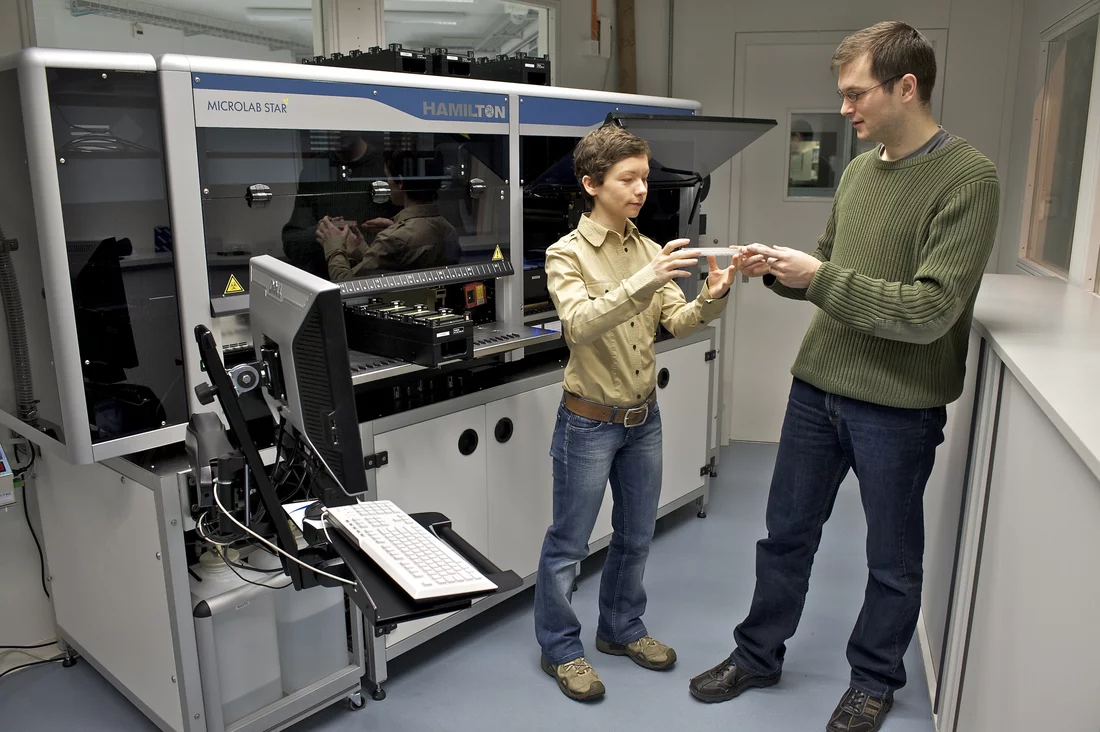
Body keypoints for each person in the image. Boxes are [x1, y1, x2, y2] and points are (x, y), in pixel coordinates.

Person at [688, 21, 1000, 732]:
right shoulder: (861, 171)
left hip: (898, 405)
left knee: (891, 557)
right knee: (785, 536)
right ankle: (757, 654)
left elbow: (931, 310)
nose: (844, 109)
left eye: (856, 94)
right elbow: (830, 271)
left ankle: (873, 680)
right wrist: (779, 271)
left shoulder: (970, 179)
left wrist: (821, 276)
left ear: (907, 87)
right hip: (818, 389)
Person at [534, 124, 742, 702]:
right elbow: (578, 324)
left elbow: (677, 321)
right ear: (592, 183)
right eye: (628, 179)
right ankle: (560, 649)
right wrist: (643, 282)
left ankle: (620, 629)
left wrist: (714, 295)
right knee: (568, 544)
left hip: (642, 419)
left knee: (636, 535)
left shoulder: (651, 250)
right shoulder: (565, 255)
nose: (641, 190)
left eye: (645, 178)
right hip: (587, 421)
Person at [319, 150, 461, 283]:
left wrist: (334, 247)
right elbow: (392, 271)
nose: (387, 183)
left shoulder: (393, 239)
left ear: (400, 182)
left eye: (388, 177)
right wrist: (360, 249)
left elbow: (346, 284)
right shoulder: (449, 231)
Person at [281, 131, 398, 279]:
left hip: (377, 279)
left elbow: (407, 235)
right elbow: (291, 243)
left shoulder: (385, 166)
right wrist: (322, 232)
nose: (336, 132)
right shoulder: (315, 169)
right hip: (325, 283)